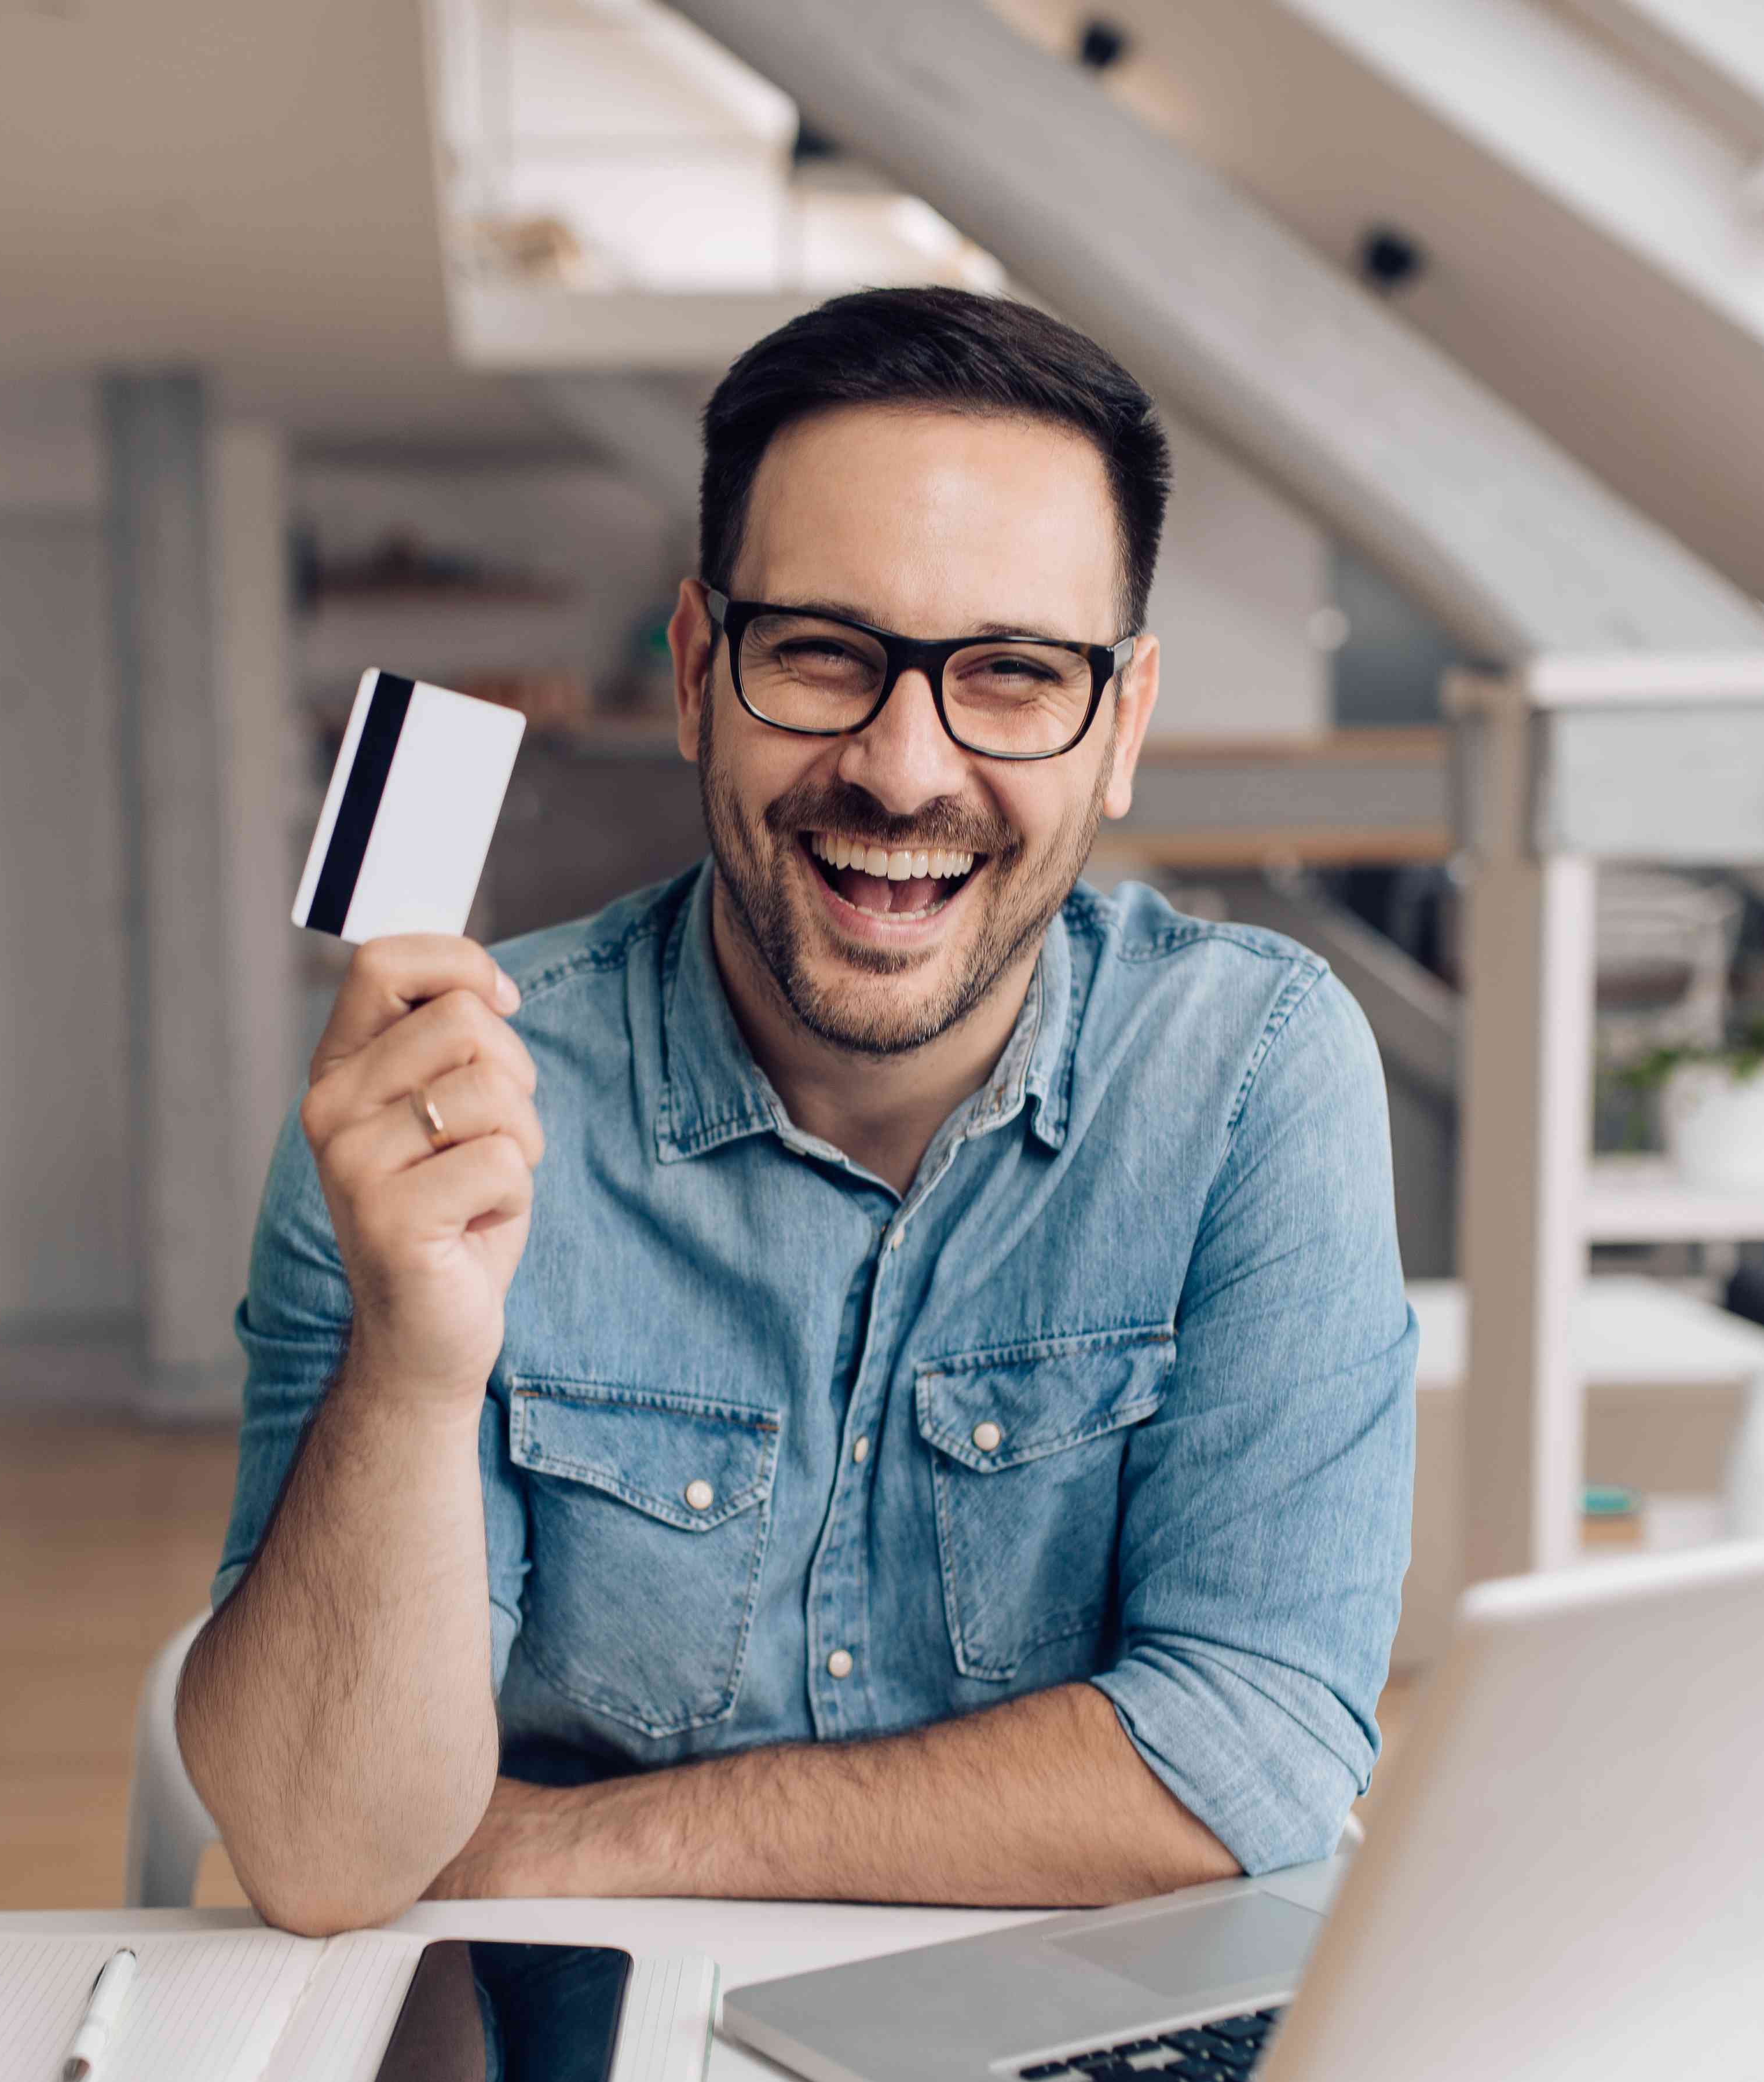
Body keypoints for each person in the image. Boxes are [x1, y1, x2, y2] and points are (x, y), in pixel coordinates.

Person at [177, 287, 1415, 1935]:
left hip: (1052, 2031)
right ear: (698, 674)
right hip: (559, 2039)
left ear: (1119, 727)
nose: (905, 769)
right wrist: (416, 1357)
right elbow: (331, 1855)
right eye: (823, 655)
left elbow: (1260, 1744)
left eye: (1015, 675)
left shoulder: (1257, 1072)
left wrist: (573, 1843)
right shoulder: (434, 1109)